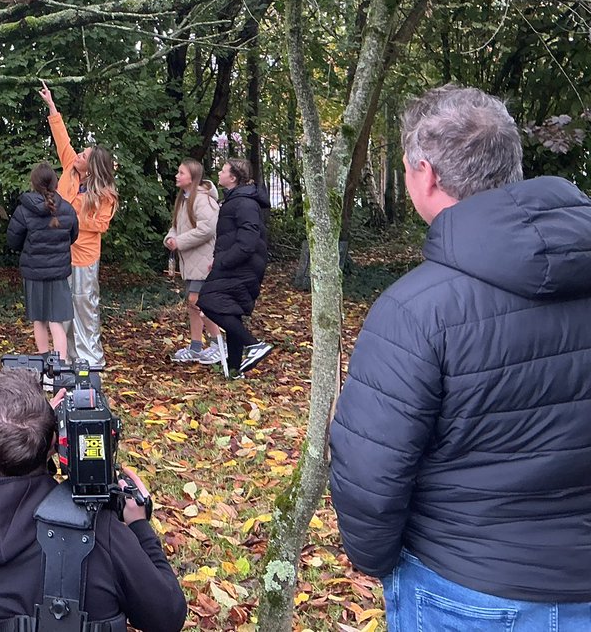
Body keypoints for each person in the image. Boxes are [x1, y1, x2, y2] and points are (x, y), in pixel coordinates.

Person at [329, 84, 591, 630]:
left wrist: (376, 561)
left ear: (425, 174)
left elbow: (369, 471)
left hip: (465, 590)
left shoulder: (414, 310)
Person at [0, 370, 187, 632]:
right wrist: (139, 527)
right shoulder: (100, 532)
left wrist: (32, 428)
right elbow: (167, 616)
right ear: (55, 443)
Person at [39, 82, 118, 367]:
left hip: (84, 257)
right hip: (61, 252)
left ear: (92, 167)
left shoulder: (105, 194)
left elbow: (100, 225)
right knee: (63, 308)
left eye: (83, 156)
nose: (78, 156)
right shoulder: (70, 168)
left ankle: (91, 359)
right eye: (80, 153)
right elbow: (62, 138)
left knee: (85, 307)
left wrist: (68, 215)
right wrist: (52, 106)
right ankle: (70, 358)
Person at [196, 157, 273, 378]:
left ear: (233, 177)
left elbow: (247, 242)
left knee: (208, 301)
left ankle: (254, 345)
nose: (219, 173)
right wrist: (218, 257)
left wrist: (223, 260)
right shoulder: (237, 199)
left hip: (242, 266)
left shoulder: (245, 202)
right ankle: (234, 369)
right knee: (230, 311)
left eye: (223, 170)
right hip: (237, 262)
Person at [6, 162, 79, 360]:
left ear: (33, 183)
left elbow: (13, 241)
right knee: (57, 322)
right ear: (55, 183)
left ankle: (44, 365)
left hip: (34, 273)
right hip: (58, 274)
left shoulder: (23, 211)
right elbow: (73, 237)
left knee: (39, 320)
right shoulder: (68, 210)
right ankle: (60, 368)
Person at [166, 160, 222, 364]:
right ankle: (196, 346)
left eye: (181, 172)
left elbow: (207, 229)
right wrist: (170, 238)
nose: (177, 175)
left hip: (203, 260)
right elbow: (176, 226)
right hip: (189, 262)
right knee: (192, 305)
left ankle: (218, 343)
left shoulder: (203, 199)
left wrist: (179, 242)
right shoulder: (184, 199)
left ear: (193, 177)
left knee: (197, 301)